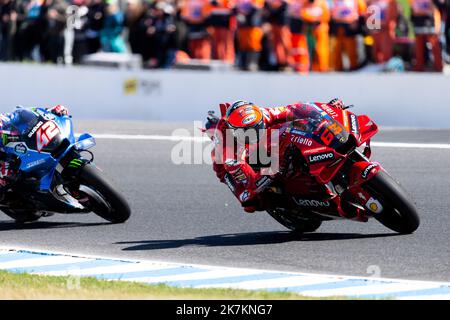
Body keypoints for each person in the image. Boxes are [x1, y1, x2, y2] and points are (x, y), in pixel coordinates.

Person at [206, 98, 345, 213]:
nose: (253, 134)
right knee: (249, 201)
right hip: (231, 162)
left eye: (256, 129)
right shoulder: (228, 151)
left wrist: (328, 109)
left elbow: (295, 109)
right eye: (247, 132)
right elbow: (252, 183)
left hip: (265, 142)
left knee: (295, 125)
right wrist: (271, 172)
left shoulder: (265, 114)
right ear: (235, 132)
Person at [0, 105, 69, 190]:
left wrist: (51, 111)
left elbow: (30, 113)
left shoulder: (7, 119)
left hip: (34, 146)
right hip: (16, 166)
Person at [329, 0, 367, 71]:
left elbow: (362, 12)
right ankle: (338, 67)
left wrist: (357, 22)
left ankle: (353, 66)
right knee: (337, 47)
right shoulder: (334, 1)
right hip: (337, 24)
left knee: (351, 47)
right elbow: (330, 11)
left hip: (351, 24)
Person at [409, 0, 443, 71]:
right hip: (418, 24)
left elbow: (434, 9)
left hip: (430, 24)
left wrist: (423, 11)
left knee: (435, 46)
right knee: (418, 48)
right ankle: (419, 66)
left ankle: (438, 67)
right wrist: (425, 11)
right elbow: (415, 11)